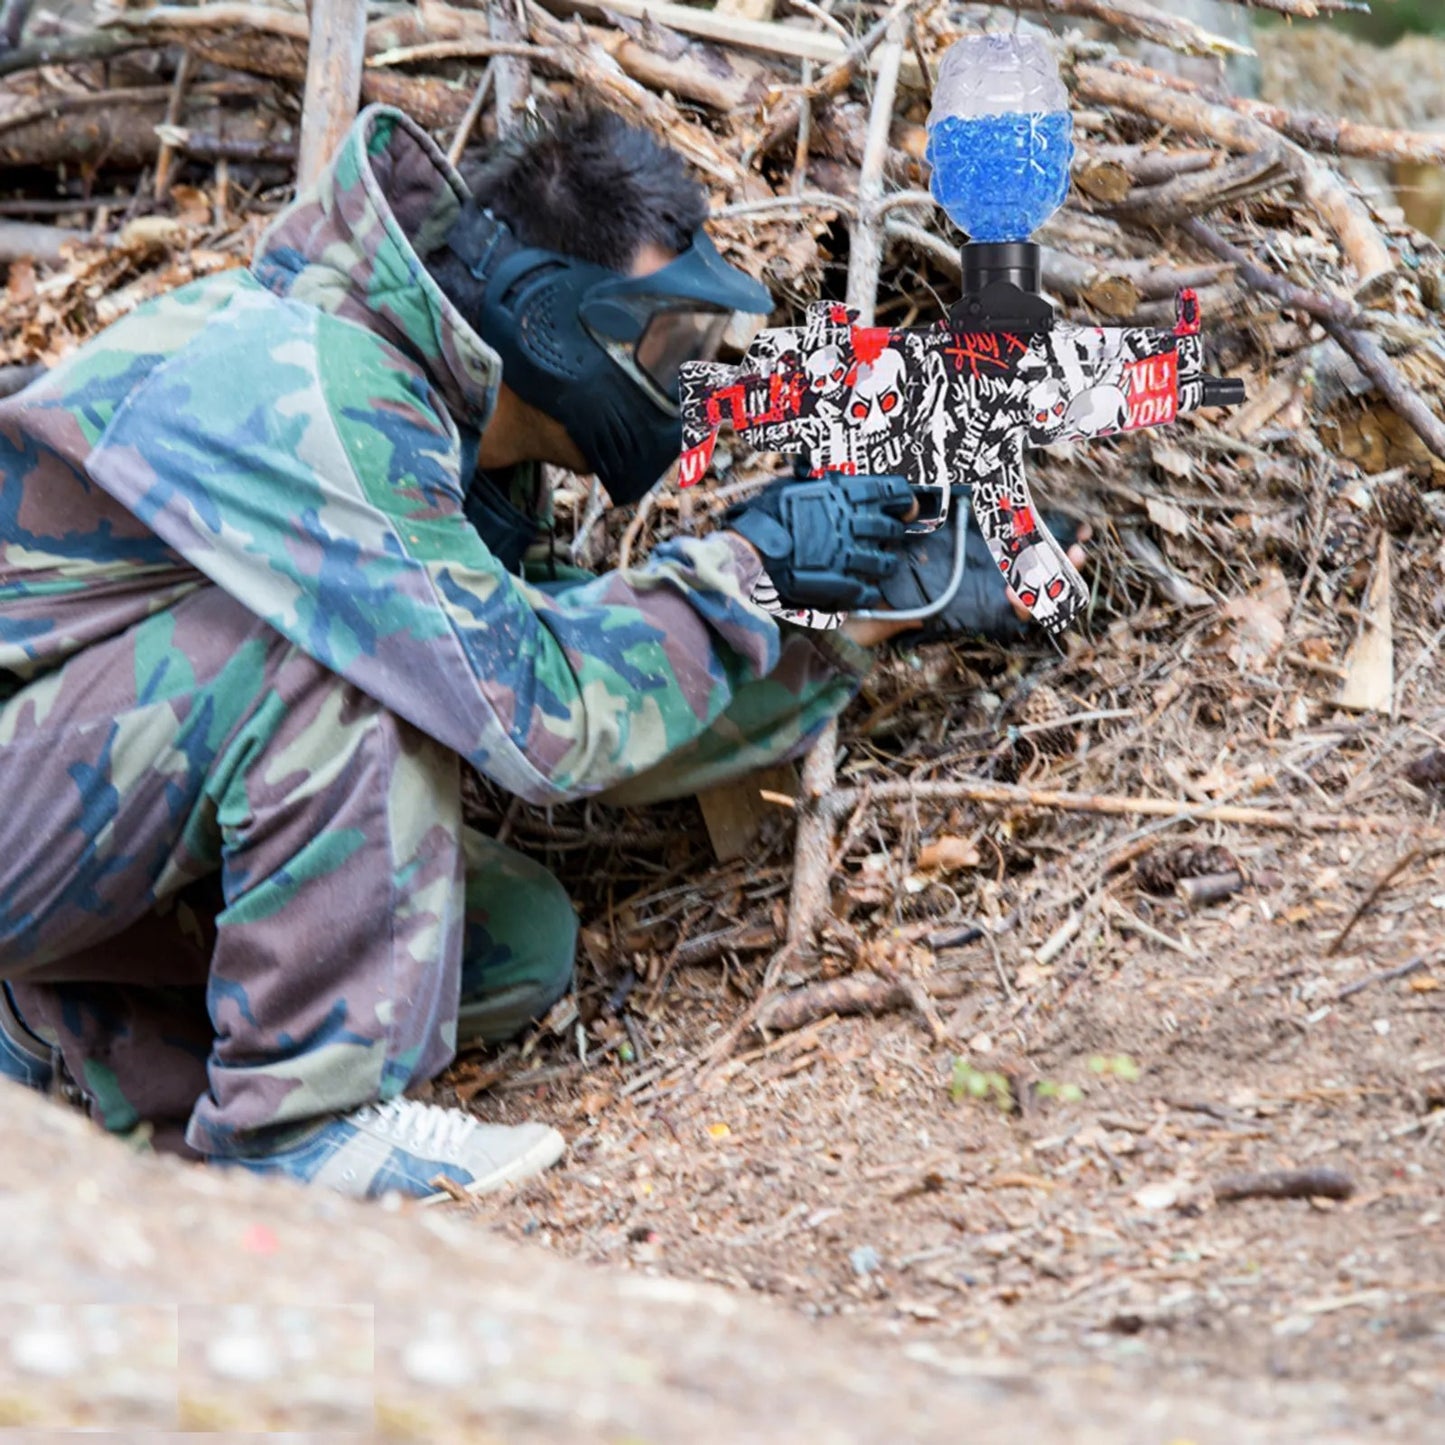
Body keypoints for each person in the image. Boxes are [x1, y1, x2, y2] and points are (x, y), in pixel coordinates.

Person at [0, 104, 1084, 1201]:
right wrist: (749, 569)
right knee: (331, 653)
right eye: (657, 337)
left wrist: (851, 611)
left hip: (56, 829)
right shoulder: (318, 387)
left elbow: (572, 676)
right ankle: (297, 1129)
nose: (681, 375)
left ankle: (66, 1042)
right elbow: (534, 717)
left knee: (513, 937)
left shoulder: (447, 424)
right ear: (546, 316)